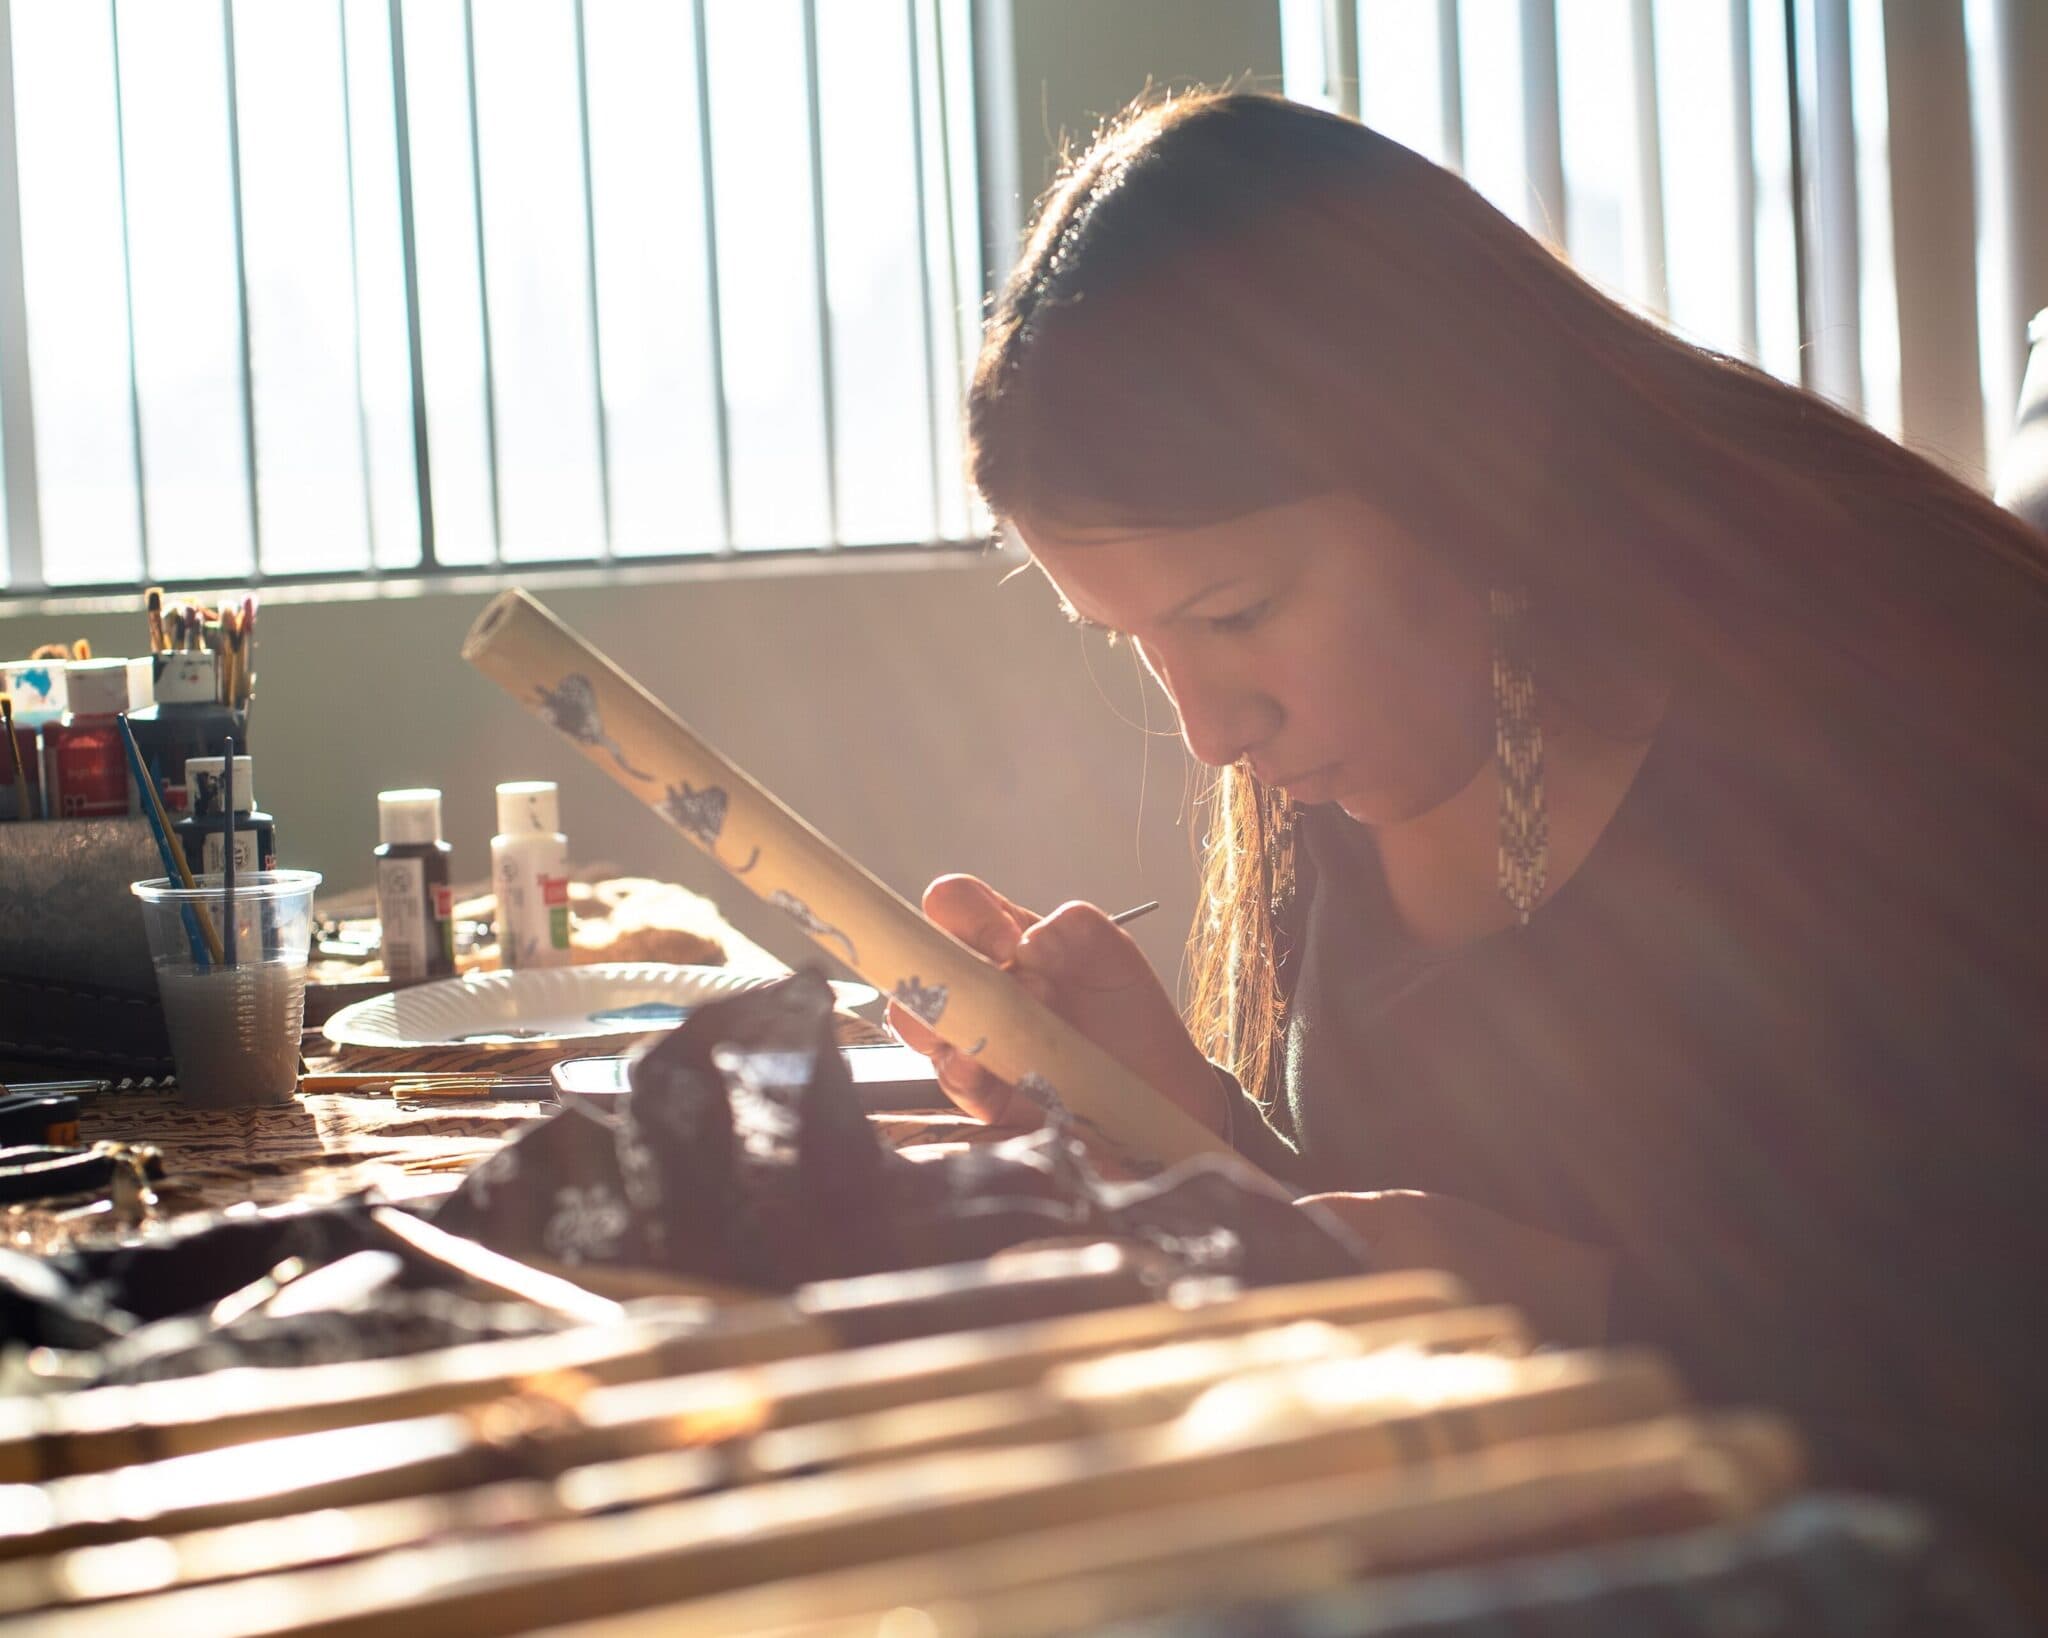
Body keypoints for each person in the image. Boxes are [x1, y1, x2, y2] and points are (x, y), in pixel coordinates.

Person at [885, 90, 2048, 1575]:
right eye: (1135, 644)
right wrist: (1174, 1126)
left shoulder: (1900, 726)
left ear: (1457, 463)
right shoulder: (1394, 722)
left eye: (1233, 614)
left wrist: (1585, 1309)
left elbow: (1992, 1384)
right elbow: (1422, 1214)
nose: (1209, 732)